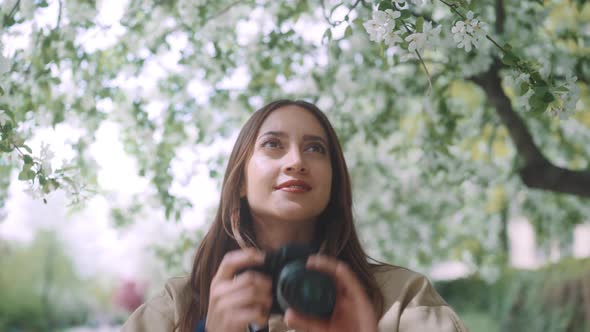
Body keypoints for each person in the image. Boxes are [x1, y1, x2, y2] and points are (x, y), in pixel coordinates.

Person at [122, 99, 469, 332]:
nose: (296, 161)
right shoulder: (176, 308)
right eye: (273, 144)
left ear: (335, 181)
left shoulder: (404, 298)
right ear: (240, 180)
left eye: (315, 148)